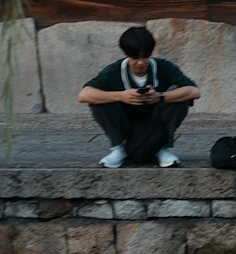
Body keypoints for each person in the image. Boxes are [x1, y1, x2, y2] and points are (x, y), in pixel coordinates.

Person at [79, 25, 201, 169]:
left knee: (179, 96)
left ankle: (161, 148)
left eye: (145, 57)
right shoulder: (114, 70)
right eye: (135, 58)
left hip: (156, 124)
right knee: (98, 99)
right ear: (125, 54)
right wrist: (121, 96)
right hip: (125, 125)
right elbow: (84, 95)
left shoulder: (163, 67)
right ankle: (118, 149)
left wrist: (160, 97)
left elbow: (194, 91)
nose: (141, 63)